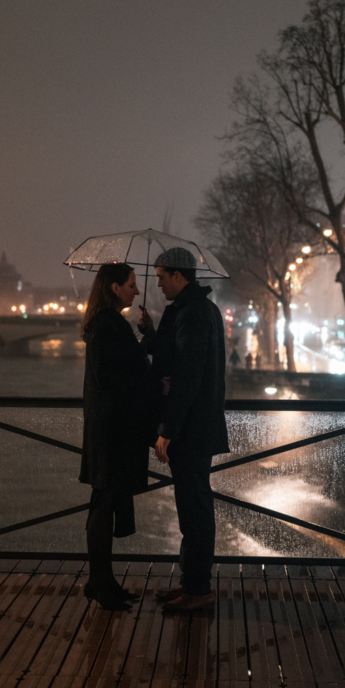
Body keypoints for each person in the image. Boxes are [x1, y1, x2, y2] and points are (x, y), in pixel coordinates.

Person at [139, 247, 228, 614]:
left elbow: (187, 378)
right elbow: (178, 358)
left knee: (194, 507)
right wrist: (150, 331)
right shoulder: (194, 310)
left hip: (191, 428)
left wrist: (167, 429)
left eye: (162, 277)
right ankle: (191, 582)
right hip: (196, 425)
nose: (158, 284)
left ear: (179, 276)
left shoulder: (192, 314)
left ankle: (199, 588)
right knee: (191, 506)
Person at [78, 262, 150, 611]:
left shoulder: (106, 324)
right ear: (115, 288)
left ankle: (103, 581)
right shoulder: (108, 326)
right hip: (112, 430)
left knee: (103, 501)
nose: (136, 291)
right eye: (131, 285)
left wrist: (144, 337)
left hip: (108, 427)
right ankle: (100, 583)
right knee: (104, 503)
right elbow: (114, 377)